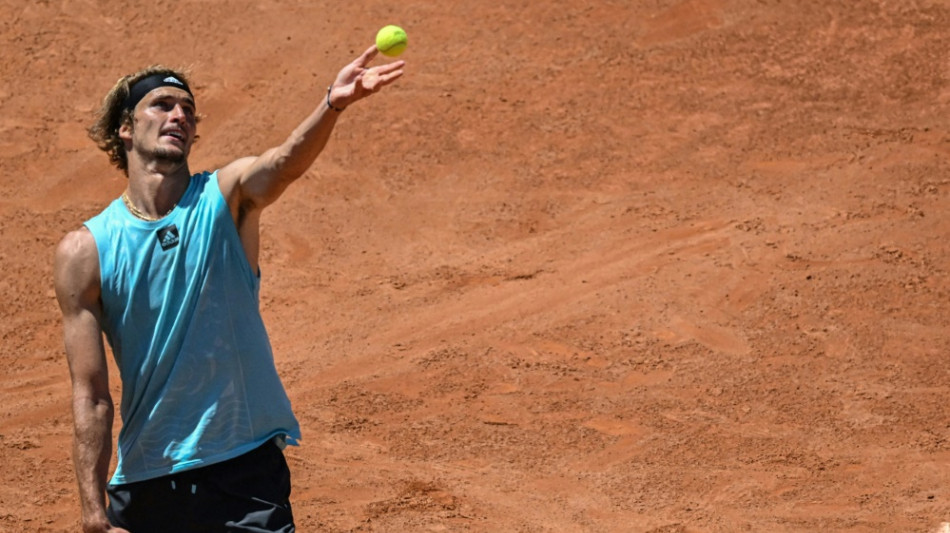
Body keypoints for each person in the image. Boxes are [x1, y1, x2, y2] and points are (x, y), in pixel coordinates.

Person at [53, 44, 404, 533]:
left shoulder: (225, 197)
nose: (179, 115)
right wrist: (93, 512)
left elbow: (282, 162)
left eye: (189, 111)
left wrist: (332, 104)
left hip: (242, 475)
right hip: (147, 482)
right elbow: (90, 395)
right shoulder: (84, 253)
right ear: (126, 129)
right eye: (163, 104)